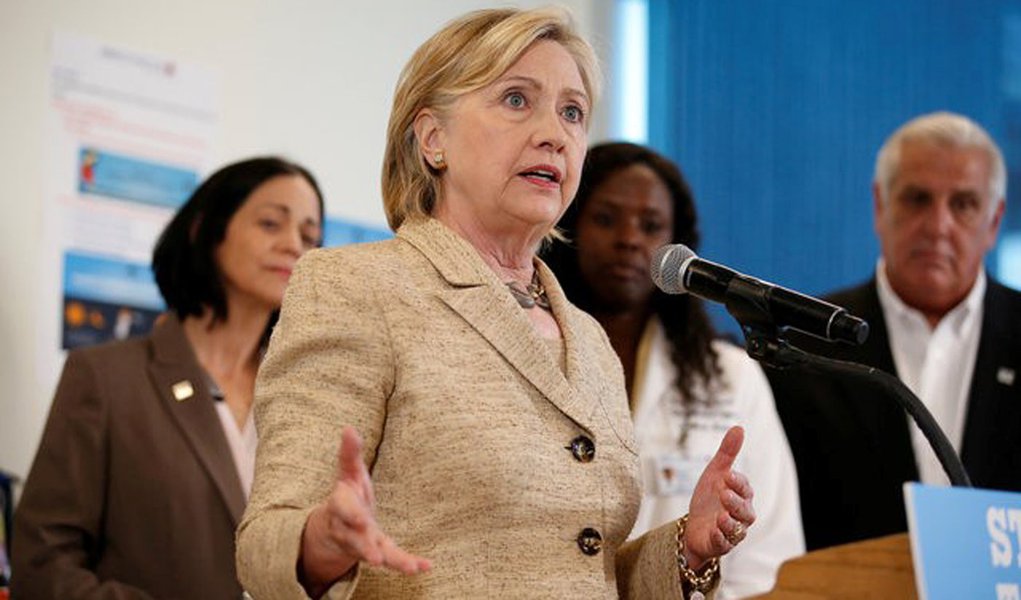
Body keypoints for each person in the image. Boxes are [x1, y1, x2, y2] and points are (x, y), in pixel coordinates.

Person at [236, 8, 756, 600]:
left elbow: (580, 573)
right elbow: (263, 546)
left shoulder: (588, 338)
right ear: (433, 138)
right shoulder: (355, 288)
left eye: (572, 112)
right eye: (516, 100)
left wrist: (685, 550)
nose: (555, 134)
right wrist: (323, 540)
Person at [12, 156, 324, 598]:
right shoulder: (105, 378)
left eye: (309, 236)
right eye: (271, 223)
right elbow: (42, 565)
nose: (294, 245)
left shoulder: (308, 397)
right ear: (204, 231)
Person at [543, 141, 804, 598]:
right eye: (606, 218)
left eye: (651, 226)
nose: (629, 239)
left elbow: (769, 558)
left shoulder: (729, 378)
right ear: (570, 226)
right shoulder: (530, 357)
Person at [767, 111, 1021, 551]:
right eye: (917, 199)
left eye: (963, 204)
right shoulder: (804, 344)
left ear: (994, 222)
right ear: (880, 206)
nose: (938, 226)